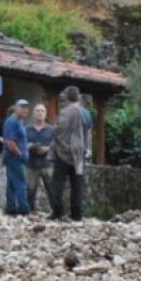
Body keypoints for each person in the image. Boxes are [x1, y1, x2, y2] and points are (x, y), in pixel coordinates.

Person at [50, 86, 87, 221]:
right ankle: (77, 214)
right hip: (80, 154)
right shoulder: (85, 113)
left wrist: (54, 128)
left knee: (58, 183)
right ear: (78, 97)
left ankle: (58, 212)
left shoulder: (66, 112)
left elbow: (59, 129)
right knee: (77, 184)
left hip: (64, 152)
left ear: (66, 97)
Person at [2, 99, 30, 215]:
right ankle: (23, 209)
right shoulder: (12, 122)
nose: (25, 110)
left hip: (14, 158)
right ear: (16, 108)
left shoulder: (19, 122)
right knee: (21, 183)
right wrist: (20, 154)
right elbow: (10, 142)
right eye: (22, 107)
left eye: (26, 107)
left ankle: (11, 208)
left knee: (12, 184)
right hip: (14, 158)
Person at [26, 104, 55, 209]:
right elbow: (22, 144)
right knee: (30, 191)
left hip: (48, 164)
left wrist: (46, 149)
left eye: (42, 111)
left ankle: (56, 212)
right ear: (33, 114)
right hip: (31, 164)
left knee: (52, 191)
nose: (40, 113)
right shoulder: (27, 129)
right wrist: (31, 146)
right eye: (37, 111)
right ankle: (29, 212)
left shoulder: (51, 130)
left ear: (45, 114)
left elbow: (57, 145)